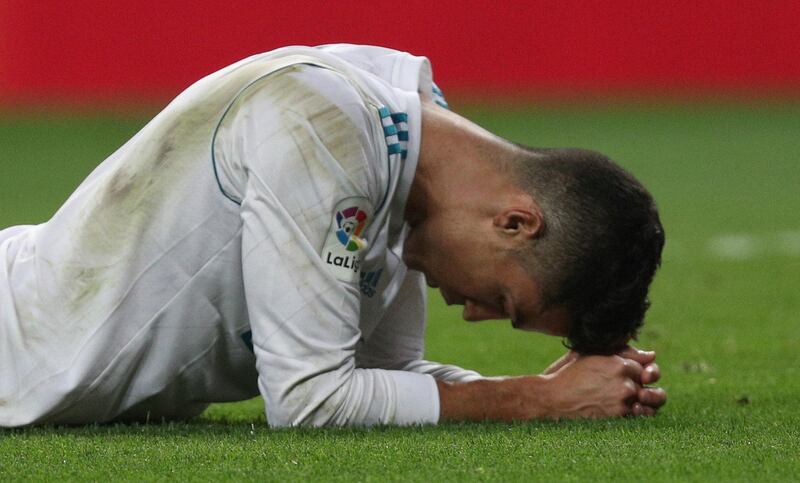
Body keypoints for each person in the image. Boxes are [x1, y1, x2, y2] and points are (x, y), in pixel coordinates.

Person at [0, 44, 666, 427]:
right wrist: (535, 399)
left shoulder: (410, 153)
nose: (472, 312)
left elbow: (378, 379)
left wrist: (542, 386)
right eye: (504, 300)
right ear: (515, 222)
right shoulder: (326, 128)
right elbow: (309, 398)